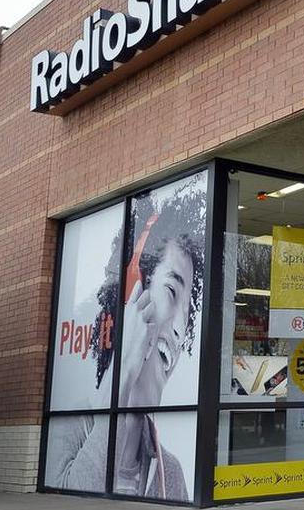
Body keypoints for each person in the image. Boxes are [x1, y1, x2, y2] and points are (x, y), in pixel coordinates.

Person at [45, 182, 204, 501]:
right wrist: (125, 369)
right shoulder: (69, 425)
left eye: (186, 318)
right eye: (172, 292)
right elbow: (68, 498)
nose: (177, 331)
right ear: (134, 292)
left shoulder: (170, 471)